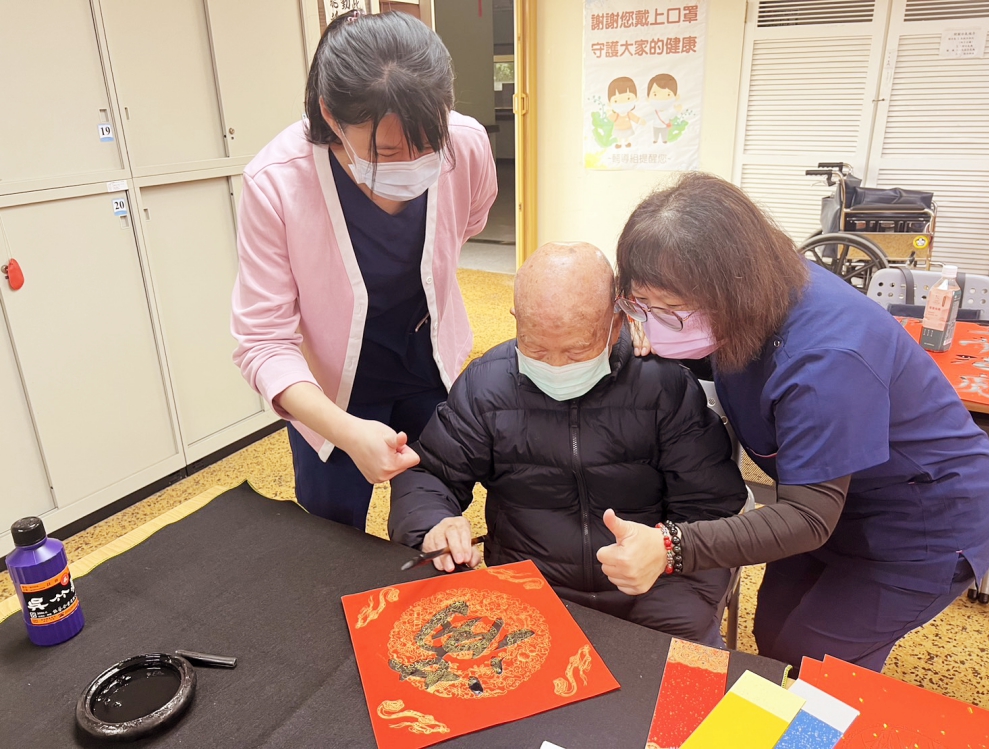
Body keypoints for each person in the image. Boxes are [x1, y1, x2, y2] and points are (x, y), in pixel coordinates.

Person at [610, 172, 989, 671]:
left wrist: (670, 546)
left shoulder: (827, 358)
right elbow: (734, 360)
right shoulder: (764, 288)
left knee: (813, 658)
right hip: (828, 497)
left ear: (732, 291)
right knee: (774, 630)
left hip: (921, 519)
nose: (654, 321)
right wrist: (653, 331)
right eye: (642, 305)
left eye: (671, 310)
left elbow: (809, 517)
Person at [389, 243, 746, 646]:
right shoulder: (485, 386)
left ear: (616, 324)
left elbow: (709, 508)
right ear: (516, 321)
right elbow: (428, 472)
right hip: (527, 592)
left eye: (577, 351)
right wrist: (434, 523)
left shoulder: (663, 386)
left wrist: (665, 581)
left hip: (655, 590)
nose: (555, 367)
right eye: (535, 348)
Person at [231, 11, 498, 530]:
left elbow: (469, 221)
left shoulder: (466, 144)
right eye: (390, 151)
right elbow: (262, 342)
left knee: (435, 515)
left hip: (429, 367)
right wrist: (347, 431)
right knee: (332, 532)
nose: (416, 163)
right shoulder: (277, 181)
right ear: (332, 117)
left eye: (429, 144)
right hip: (330, 393)